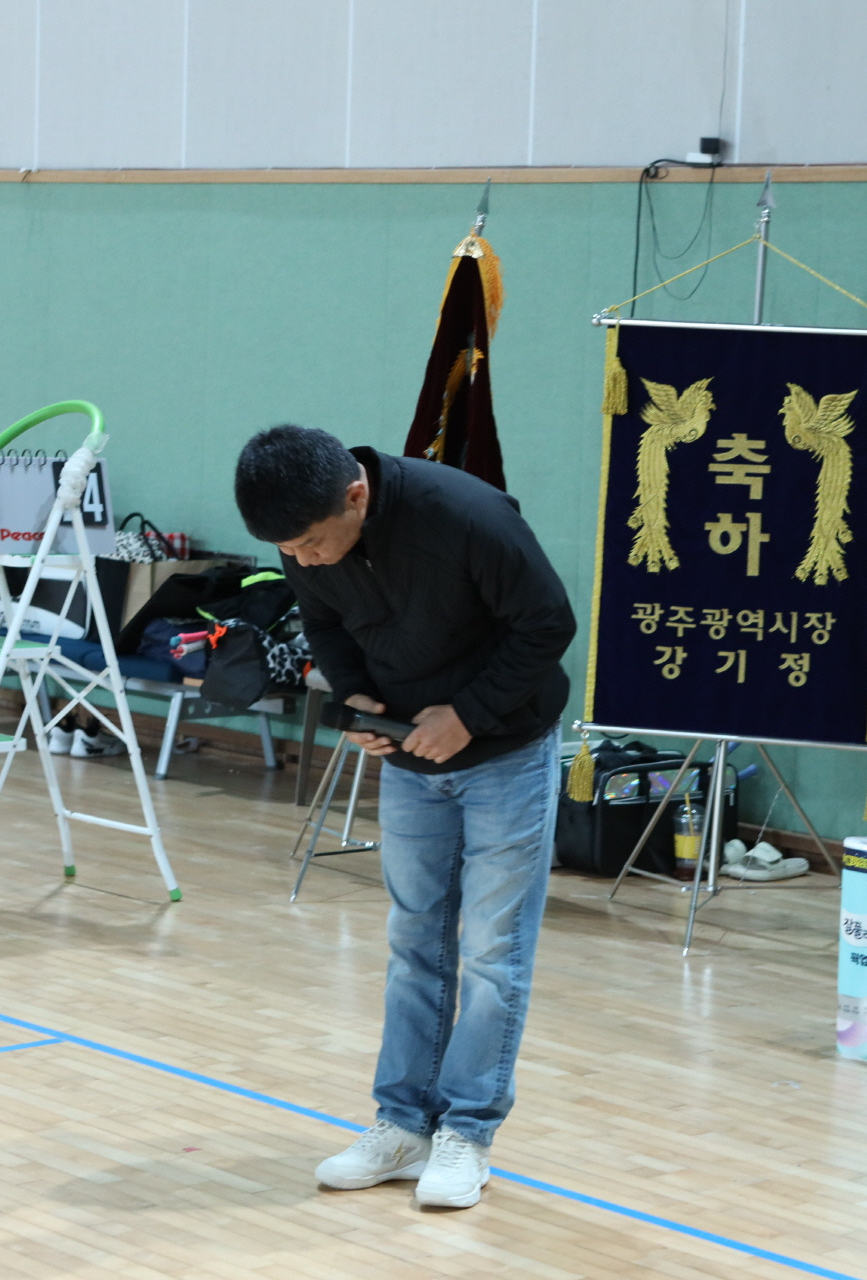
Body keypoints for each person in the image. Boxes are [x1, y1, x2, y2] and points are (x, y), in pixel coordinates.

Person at [233, 425, 575, 1210]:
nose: (306, 560)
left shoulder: (467, 515)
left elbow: (547, 624)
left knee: (491, 952)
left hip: (505, 753)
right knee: (415, 942)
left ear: (356, 495)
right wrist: (356, 698)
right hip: (410, 763)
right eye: (290, 551)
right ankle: (403, 1125)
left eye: (313, 543)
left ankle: (468, 1133)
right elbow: (323, 622)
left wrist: (470, 714)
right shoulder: (305, 543)